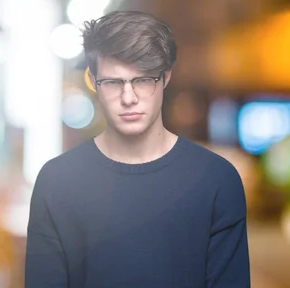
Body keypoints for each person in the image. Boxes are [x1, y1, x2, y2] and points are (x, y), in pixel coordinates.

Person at [24, 10, 250, 288]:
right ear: (94, 82)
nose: (128, 98)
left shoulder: (216, 179)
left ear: (166, 77)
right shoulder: (56, 180)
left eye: (143, 80)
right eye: (113, 82)